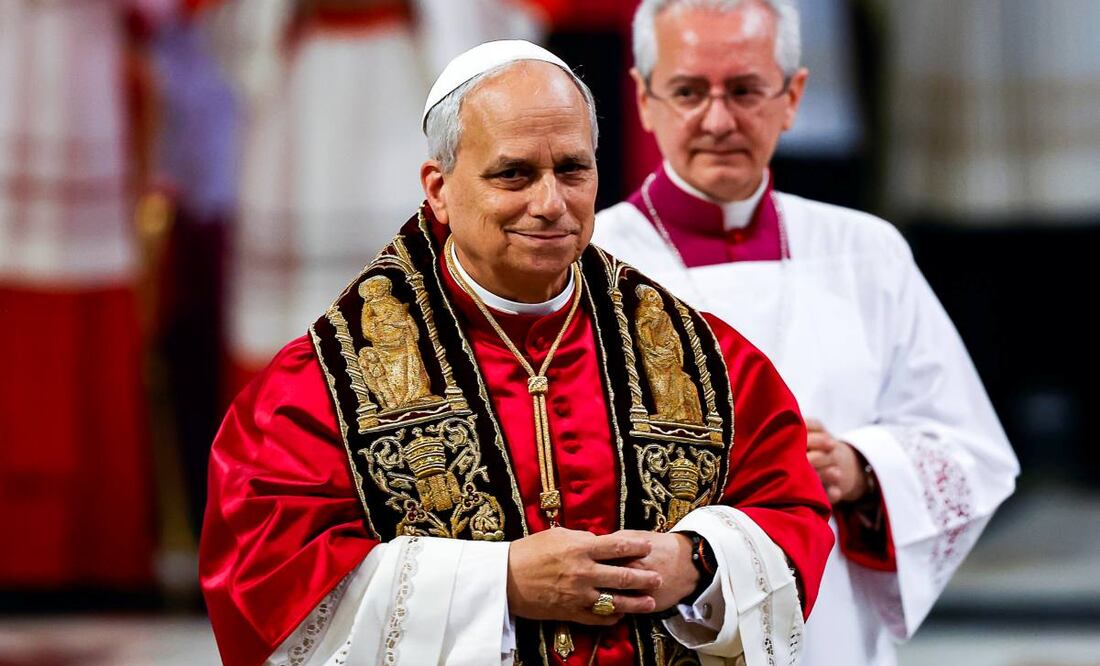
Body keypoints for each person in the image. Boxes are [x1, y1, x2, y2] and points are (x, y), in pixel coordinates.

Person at [200, 40, 834, 666]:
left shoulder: (708, 359)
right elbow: (266, 580)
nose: (551, 203)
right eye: (514, 174)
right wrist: (499, 582)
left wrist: (700, 562)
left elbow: (792, 512)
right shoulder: (322, 382)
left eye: (572, 169)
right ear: (439, 188)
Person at [591, 2, 1021, 665]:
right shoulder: (589, 260)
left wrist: (862, 468)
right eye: (687, 91)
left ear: (792, 97)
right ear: (644, 99)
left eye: (744, 90)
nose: (717, 119)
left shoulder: (866, 251)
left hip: (829, 621)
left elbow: (973, 453)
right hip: (658, 625)